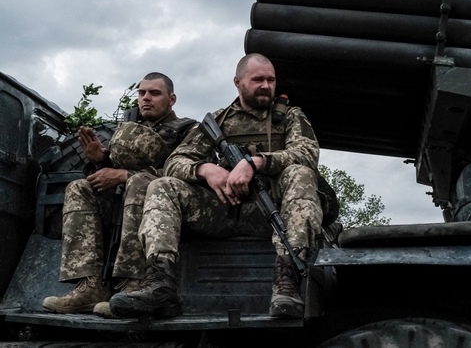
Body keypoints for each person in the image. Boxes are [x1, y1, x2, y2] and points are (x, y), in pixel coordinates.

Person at [109, 53, 323, 319]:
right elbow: (175, 161)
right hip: (221, 211)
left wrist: (256, 163)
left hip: (272, 214)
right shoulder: (218, 120)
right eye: (258, 79)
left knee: (301, 173)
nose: (266, 86)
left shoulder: (291, 116)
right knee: (163, 185)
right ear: (238, 82)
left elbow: (307, 154)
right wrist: (205, 170)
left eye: (271, 80)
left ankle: (287, 284)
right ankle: (159, 283)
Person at [42, 72, 196, 316]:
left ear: (172, 99)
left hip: (162, 209)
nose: (146, 98)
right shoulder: (128, 130)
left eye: (155, 93)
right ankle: (91, 286)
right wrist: (101, 160)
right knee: (79, 188)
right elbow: (112, 172)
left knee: (140, 182)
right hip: (121, 202)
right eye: (142, 92)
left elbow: (185, 173)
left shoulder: (188, 130)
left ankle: (134, 284)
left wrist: (127, 174)